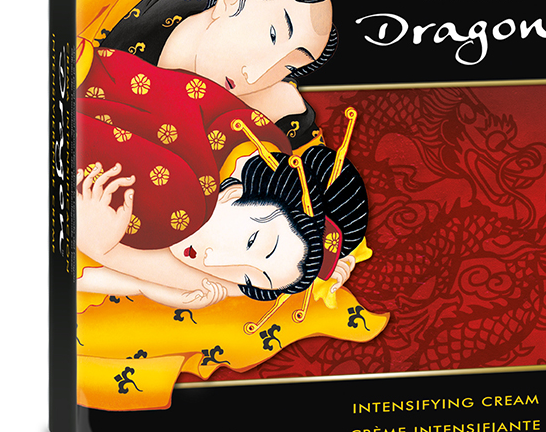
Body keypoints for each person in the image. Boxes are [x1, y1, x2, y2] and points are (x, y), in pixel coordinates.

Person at [77, 45, 367, 309]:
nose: (212, 262)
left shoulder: (257, 137)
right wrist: (102, 251)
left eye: (246, 279)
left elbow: (220, 280)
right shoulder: (182, 204)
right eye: (252, 241)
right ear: (233, 192)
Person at [99, 0, 338, 149]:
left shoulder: (280, 113)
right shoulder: (139, 12)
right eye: (273, 34)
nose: (253, 76)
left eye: (288, 67)